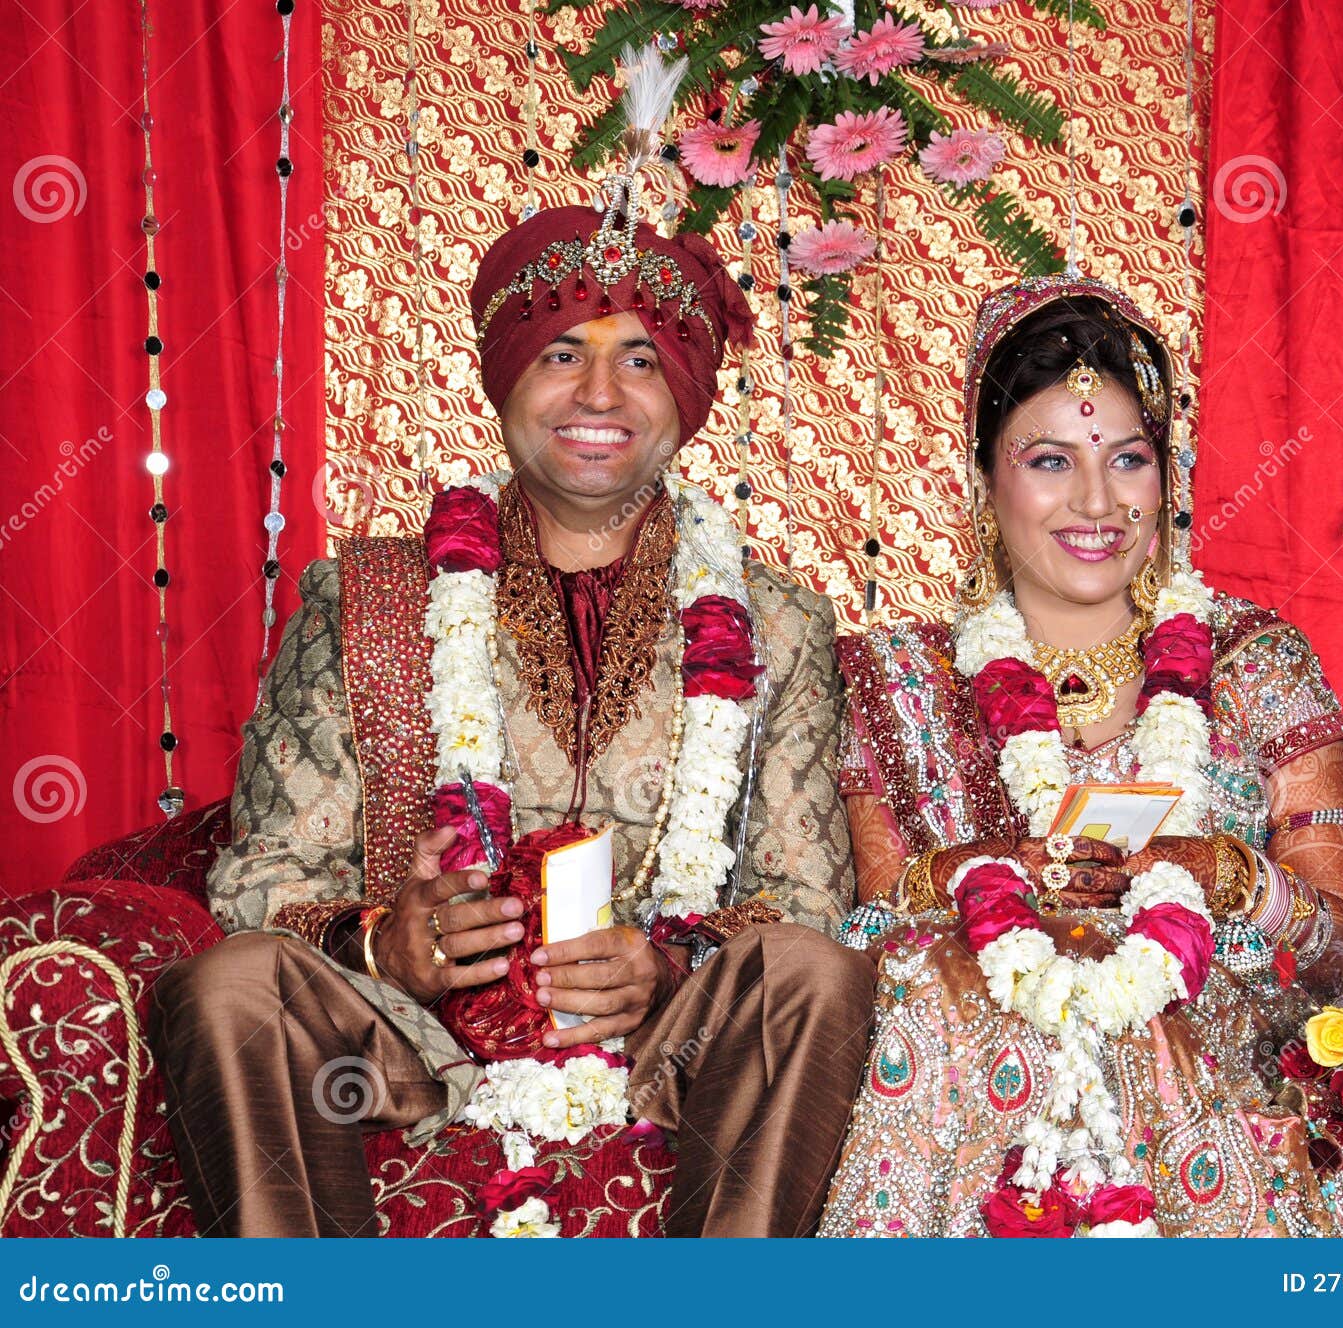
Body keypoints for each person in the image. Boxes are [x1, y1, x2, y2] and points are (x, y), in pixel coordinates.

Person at [149, 197, 874, 1239]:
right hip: (410, 1034)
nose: (597, 394)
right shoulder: (373, 597)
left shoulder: (777, 622)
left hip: (667, 1039)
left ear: (687, 393)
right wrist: (382, 943)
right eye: (559, 354)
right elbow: (263, 877)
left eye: (637, 358)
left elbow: (800, 896)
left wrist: (664, 962)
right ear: (505, 378)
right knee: (227, 985)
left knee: (812, 970)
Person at [820, 274, 1343, 1238]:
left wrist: (1226, 876)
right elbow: (865, 933)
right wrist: (971, 878)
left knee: (1132, 1020)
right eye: (1049, 460)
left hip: (1204, 1039)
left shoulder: (1255, 660)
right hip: (958, 1042)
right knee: (941, 990)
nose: (1097, 501)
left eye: (1127, 460)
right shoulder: (898, 679)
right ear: (983, 479)